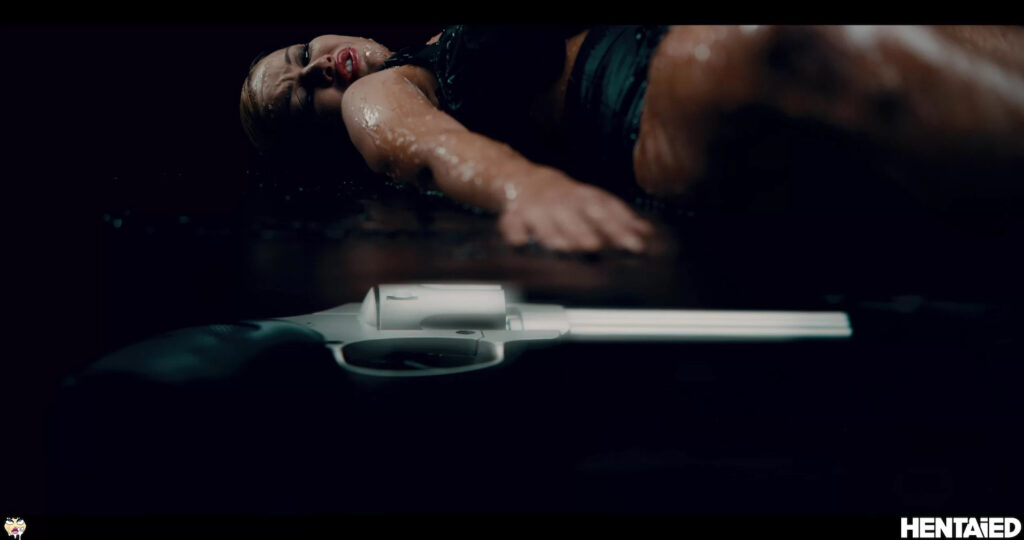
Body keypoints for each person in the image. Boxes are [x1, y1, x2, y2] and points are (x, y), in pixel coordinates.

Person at [240, 25, 1024, 252]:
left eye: (301, 54)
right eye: (301, 94)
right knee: (772, 42)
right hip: (643, 103)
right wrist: (529, 189)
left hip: (659, 54)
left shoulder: (438, 42)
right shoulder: (375, 99)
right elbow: (425, 150)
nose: (317, 69)